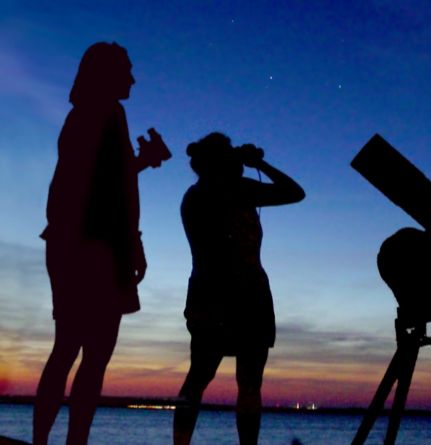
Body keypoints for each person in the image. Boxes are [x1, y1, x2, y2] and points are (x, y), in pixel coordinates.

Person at [33, 42, 170, 445]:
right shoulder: (106, 114)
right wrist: (131, 242)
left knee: (70, 349)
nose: (133, 79)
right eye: (126, 70)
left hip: (79, 243)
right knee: (90, 354)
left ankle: (47, 441)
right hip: (95, 247)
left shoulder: (88, 115)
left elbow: (105, 179)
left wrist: (142, 162)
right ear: (107, 74)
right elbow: (104, 191)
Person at [173, 132, 305, 445]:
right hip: (238, 296)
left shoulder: (197, 195)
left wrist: (252, 164)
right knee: (241, 382)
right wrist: (260, 164)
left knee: (202, 378)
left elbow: (294, 193)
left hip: (220, 295)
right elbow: (293, 192)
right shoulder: (231, 191)